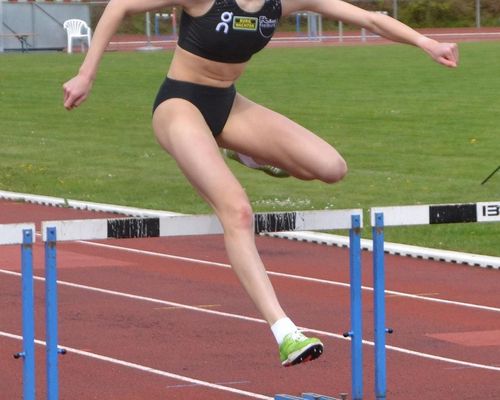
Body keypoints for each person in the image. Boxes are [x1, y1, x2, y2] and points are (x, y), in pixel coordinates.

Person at [63, 0, 458, 367]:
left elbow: (370, 18)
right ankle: (284, 331)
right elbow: (120, 6)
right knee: (236, 211)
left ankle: (246, 153)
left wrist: (426, 42)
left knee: (330, 167)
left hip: (228, 105)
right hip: (179, 106)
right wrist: (86, 74)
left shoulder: (278, 2)